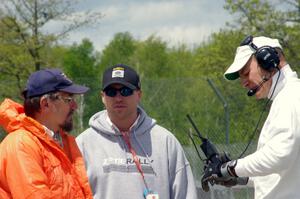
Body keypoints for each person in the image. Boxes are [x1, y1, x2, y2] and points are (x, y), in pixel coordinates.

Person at [76, 64, 198, 199]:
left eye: (126, 91)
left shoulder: (165, 142)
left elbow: (186, 194)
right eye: (111, 92)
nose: (118, 98)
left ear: (139, 95)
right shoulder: (83, 144)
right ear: (103, 97)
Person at [204, 35, 300, 199]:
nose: (244, 83)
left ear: (268, 60)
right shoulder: (289, 96)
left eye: (246, 73)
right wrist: (241, 178)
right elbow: (283, 171)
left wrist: (230, 168)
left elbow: (279, 155)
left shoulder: (290, 97)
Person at [0, 68, 93, 198]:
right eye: (68, 99)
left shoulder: (62, 142)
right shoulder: (22, 144)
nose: (75, 106)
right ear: (45, 104)